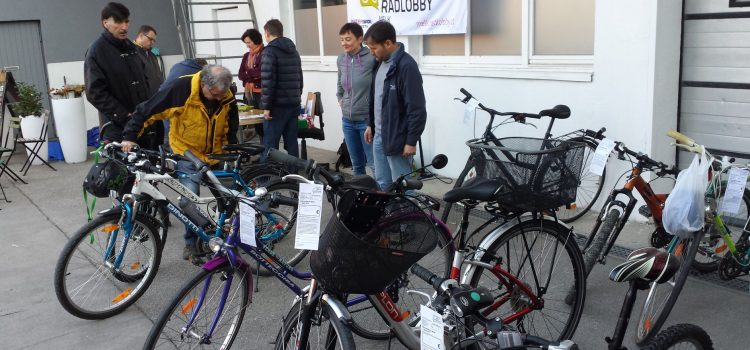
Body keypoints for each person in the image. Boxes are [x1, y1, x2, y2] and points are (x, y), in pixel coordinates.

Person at [120, 65, 239, 264]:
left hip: (218, 153)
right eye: (215, 94)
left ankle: (226, 239)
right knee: (189, 202)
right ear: (203, 85)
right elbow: (147, 110)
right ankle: (192, 245)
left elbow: (231, 122)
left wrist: (232, 148)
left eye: (222, 94)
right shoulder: (180, 89)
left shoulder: (225, 95)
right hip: (187, 153)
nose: (220, 99)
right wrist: (129, 137)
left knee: (229, 199)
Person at [363, 21, 426, 190]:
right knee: (383, 183)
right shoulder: (379, 63)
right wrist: (370, 124)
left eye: (374, 48)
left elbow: (417, 108)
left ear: (388, 43)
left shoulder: (406, 66)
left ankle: (410, 216)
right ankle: (390, 216)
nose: (371, 52)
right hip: (379, 136)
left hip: (397, 138)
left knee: (403, 187)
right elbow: (376, 98)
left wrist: (411, 141)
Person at [84, 2, 156, 148]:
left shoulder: (131, 47)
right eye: (118, 21)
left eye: (126, 21)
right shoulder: (96, 51)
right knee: (120, 171)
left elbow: (144, 81)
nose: (124, 27)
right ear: (105, 23)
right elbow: (95, 93)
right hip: (117, 130)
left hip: (143, 126)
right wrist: (124, 116)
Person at [260, 19, 303, 159]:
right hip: (293, 103)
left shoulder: (269, 51)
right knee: (292, 144)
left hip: (276, 106)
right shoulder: (293, 50)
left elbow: (268, 81)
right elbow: (300, 77)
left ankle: (263, 179)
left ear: (267, 33)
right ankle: (294, 178)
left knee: (269, 145)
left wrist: (266, 107)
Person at [337, 22, 375, 176]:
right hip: (347, 121)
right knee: (356, 164)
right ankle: (361, 195)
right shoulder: (341, 59)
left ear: (360, 39)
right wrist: (340, 97)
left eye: (348, 39)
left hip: (366, 122)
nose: (344, 43)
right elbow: (339, 81)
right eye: (341, 40)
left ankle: (380, 197)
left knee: (374, 164)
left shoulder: (371, 58)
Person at [160, 57, 208, 146]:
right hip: (176, 102)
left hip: (163, 99)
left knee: (169, 130)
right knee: (179, 133)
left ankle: (170, 152)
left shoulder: (178, 66)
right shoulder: (198, 71)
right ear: (202, 66)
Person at [133, 25, 163, 97]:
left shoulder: (152, 55)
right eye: (150, 39)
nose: (152, 42)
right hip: (143, 101)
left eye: (154, 40)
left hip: (156, 97)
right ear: (141, 36)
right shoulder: (131, 54)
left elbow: (158, 77)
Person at [238, 28, 264, 108]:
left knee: (263, 116)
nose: (247, 45)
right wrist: (252, 75)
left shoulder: (265, 53)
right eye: (246, 43)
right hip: (249, 92)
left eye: (249, 42)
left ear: (256, 40)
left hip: (262, 93)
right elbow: (240, 74)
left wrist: (248, 72)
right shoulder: (246, 56)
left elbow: (261, 72)